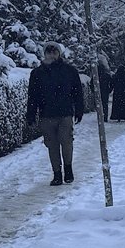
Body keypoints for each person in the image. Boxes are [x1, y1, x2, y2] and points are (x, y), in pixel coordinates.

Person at [26, 42, 84, 186]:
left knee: (66, 142)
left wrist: (79, 109)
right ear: (44, 54)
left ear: (59, 53)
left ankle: (68, 169)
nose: (52, 54)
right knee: (52, 146)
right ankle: (57, 174)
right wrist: (31, 114)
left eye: (55, 52)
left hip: (65, 113)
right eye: (49, 52)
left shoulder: (69, 71)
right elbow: (33, 96)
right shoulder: (37, 73)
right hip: (46, 115)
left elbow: (77, 92)